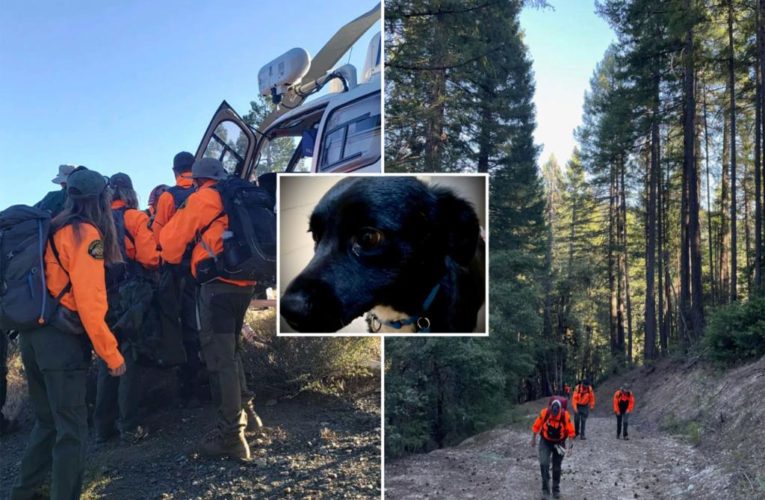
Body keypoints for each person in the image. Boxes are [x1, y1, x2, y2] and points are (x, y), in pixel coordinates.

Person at [11, 168, 126, 500]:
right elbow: (91, 303)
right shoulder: (85, 235)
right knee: (72, 431)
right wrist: (111, 354)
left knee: (47, 423)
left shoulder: (51, 227)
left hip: (33, 338)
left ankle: (24, 492)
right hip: (60, 345)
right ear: (100, 200)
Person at [160, 158, 257, 460]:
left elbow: (171, 243)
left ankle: (231, 436)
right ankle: (249, 417)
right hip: (247, 282)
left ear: (199, 179)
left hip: (217, 285)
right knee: (233, 351)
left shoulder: (203, 198)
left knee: (220, 357)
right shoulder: (239, 195)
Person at [93, 173, 159, 444]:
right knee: (127, 355)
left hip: (101, 296)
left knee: (106, 357)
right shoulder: (135, 218)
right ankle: (130, 425)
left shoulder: (96, 224)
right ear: (129, 192)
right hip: (130, 296)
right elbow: (150, 258)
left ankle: (102, 427)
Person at [153, 152, 203, 407]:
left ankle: (188, 384)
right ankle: (211, 379)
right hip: (207, 267)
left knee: (182, 323)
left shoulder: (168, 197)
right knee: (205, 321)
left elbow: (158, 235)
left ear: (175, 171)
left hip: (178, 269)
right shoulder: (205, 192)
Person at [531, 399, 575, 498]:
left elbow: (571, 432)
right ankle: (545, 490)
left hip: (559, 443)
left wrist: (570, 447)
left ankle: (556, 489)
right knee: (543, 464)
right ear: (550, 408)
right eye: (552, 413)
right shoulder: (545, 413)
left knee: (556, 467)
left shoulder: (565, 416)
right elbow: (536, 426)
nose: (554, 415)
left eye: (556, 414)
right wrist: (533, 439)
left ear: (559, 410)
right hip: (545, 441)